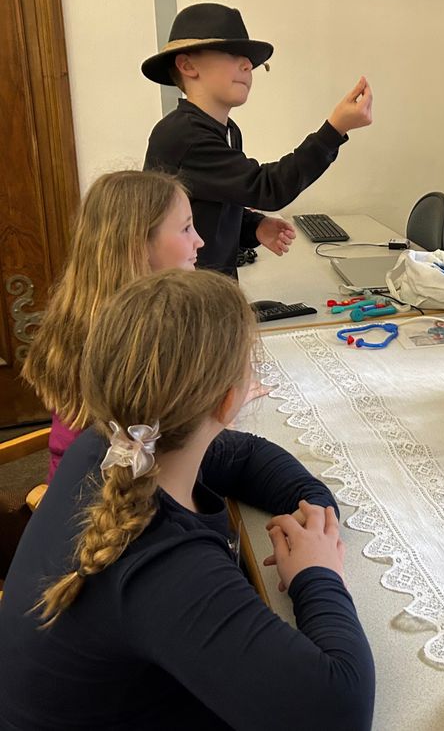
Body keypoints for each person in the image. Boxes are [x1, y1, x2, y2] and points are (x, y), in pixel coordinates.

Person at [0, 269, 375, 730]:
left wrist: (312, 507)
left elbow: (246, 456)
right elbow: (340, 713)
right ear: (227, 401)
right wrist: (318, 574)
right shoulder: (166, 566)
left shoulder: (112, 447)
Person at [142, 2, 373, 277]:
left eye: (249, 60)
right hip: (188, 299)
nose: (248, 65)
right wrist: (334, 130)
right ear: (188, 65)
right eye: (232, 54)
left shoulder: (226, 130)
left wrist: (254, 227)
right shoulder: (184, 135)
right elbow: (267, 188)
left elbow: (213, 205)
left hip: (213, 292)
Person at [22, 170, 204, 482]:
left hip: (75, 492)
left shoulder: (83, 313)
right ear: (138, 246)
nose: (199, 240)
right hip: (106, 508)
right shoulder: (134, 344)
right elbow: (177, 452)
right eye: (186, 228)